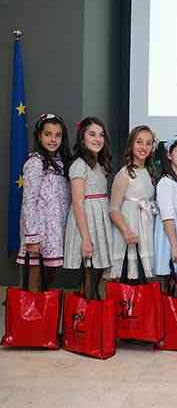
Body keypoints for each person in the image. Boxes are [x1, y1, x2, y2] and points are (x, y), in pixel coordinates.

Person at [16, 114, 71, 291]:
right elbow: (29, 202)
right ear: (39, 136)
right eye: (48, 134)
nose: (53, 139)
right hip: (39, 232)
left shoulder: (61, 164)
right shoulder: (35, 163)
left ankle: (44, 307)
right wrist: (32, 237)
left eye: (58, 135)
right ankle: (32, 308)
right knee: (35, 274)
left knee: (50, 275)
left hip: (55, 232)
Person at [63, 117, 113, 298]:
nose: (98, 139)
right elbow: (78, 202)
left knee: (97, 273)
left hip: (100, 219)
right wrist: (85, 238)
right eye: (92, 134)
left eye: (101, 135)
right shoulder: (79, 165)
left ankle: (93, 308)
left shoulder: (100, 164)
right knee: (89, 273)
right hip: (87, 222)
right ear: (82, 138)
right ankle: (87, 310)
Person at [108, 125, 157, 279]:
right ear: (131, 144)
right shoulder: (124, 174)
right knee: (129, 278)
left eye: (148, 143)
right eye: (139, 142)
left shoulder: (150, 172)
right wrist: (126, 232)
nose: (144, 147)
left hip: (145, 232)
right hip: (130, 233)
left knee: (143, 281)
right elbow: (114, 209)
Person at [153, 135, 177, 277]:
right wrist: (175, 247)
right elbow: (167, 217)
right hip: (172, 238)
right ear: (169, 155)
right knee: (171, 277)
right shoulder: (166, 182)